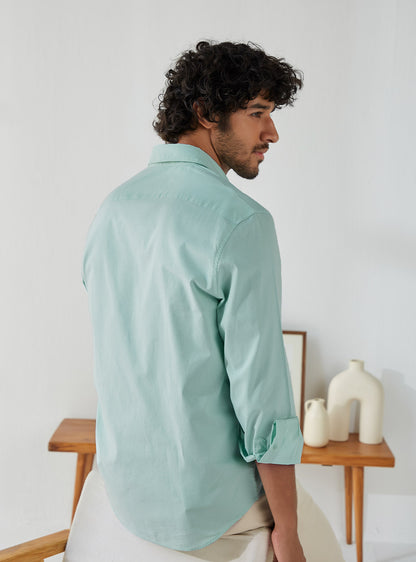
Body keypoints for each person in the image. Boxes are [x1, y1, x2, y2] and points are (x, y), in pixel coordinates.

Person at [82, 40, 306, 562]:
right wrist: (289, 533)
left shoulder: (112, 210)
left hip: (122, 492)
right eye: (257, 113)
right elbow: (263, 400)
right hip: (207, 509)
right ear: (206, 113)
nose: (272, 132)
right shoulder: (243, 223)